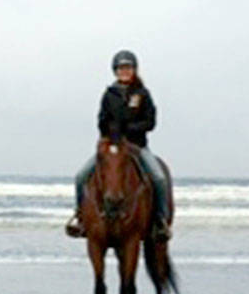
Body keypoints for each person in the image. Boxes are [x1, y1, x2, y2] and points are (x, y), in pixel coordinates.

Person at [65, 50, 171, 241]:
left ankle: (160, 221)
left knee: (159, 178)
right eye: (121, 68)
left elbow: (151, 122)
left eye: (128, 68)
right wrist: (111, 130)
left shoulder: (142, 94)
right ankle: (80, 217)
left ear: (134, 70)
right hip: (112, 145)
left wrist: (130, 128)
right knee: (81, 176)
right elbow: (101, 121)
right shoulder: (109, 94)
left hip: (137, 146)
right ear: (115, 71)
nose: (124, 71)